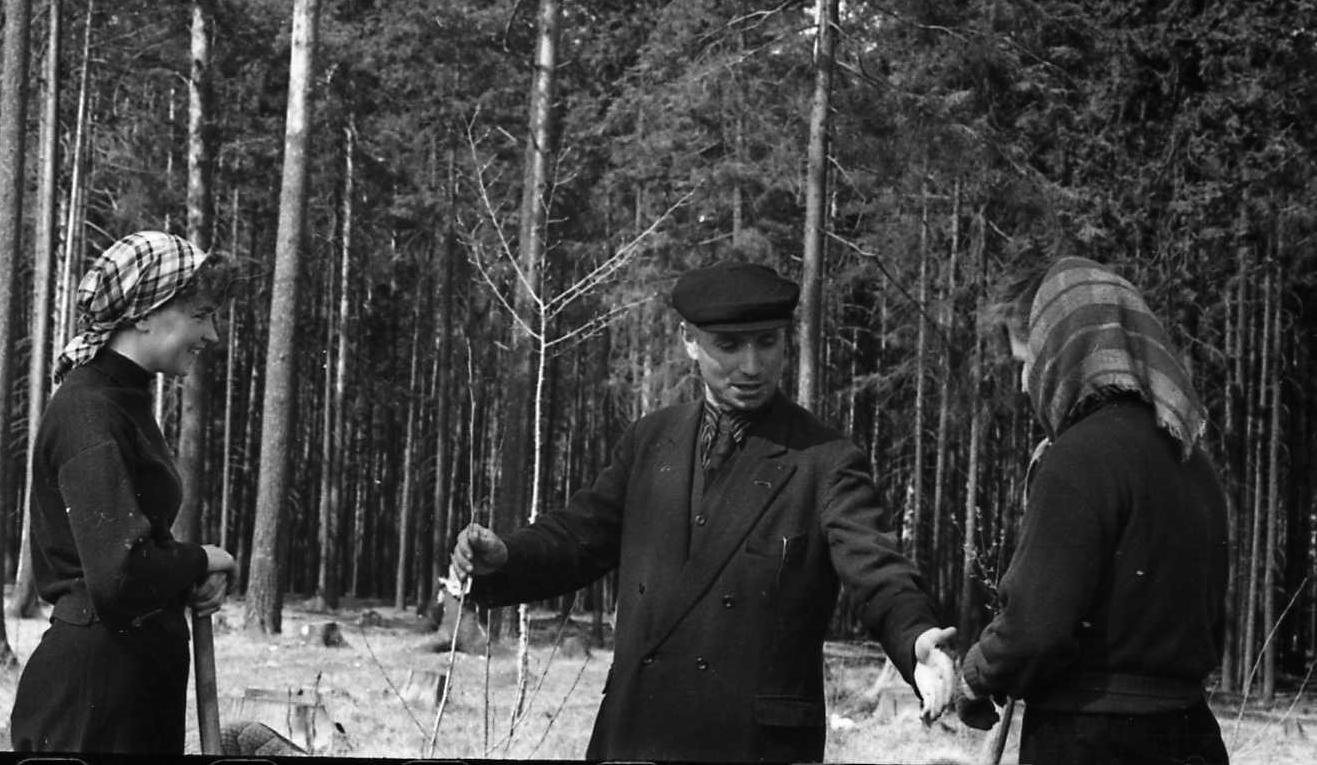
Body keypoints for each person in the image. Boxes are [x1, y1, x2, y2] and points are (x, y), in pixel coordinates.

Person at [450, 259, 956, 762]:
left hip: (753, 747)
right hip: (636, 733)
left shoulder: (825, 460)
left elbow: (877, 570)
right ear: (689, 341)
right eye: (729, 345)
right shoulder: (651, 440)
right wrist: (506, 557)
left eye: (767, 342)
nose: (752, 366)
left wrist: (914, 636)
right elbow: (578, 538)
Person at [955, 255, 1229, 764]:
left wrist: (976, 675)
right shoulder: (1194, 461)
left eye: (1026, 363)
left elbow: (1034, 631)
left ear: (1064, 351)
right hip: (1192, 737)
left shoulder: (1077, 459)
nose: (1024, 383)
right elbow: (1214, 628)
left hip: (1092, 742)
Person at [10, 230, 239, 754]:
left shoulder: (120, 400)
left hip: (127, 688)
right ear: (143, 313)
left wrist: (188, 578)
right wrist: (204, 558)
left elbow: (127, 553)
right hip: (91, 700)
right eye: (201, 315)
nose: (212, 335)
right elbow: (120, 577)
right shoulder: (89, 409)